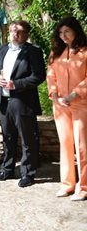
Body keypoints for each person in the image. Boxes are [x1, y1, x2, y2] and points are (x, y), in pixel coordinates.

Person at [0, 20, 45, 188]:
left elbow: (38, 76)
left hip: (22, 100)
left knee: (27, 139)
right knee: (7, 137)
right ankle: (7, 169)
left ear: (26, 34)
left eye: (19, 31)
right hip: (3, 100)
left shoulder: (33, 51)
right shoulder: (1, 49)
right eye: (12, 30)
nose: (15, 34)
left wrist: (16, 84)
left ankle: (28, 173)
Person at [46, 16, 87, 201]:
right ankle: (67, 184)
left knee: (82, 146)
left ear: (75, 31)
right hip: (60, 106)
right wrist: (54, 95)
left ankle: (84, 187)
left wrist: (74, 94)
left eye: (67, 32)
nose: (63, 36)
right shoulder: (56, 53)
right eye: (61, 33)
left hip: (81, 104)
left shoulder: (85, 52)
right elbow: (51, 75)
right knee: (65, 144)